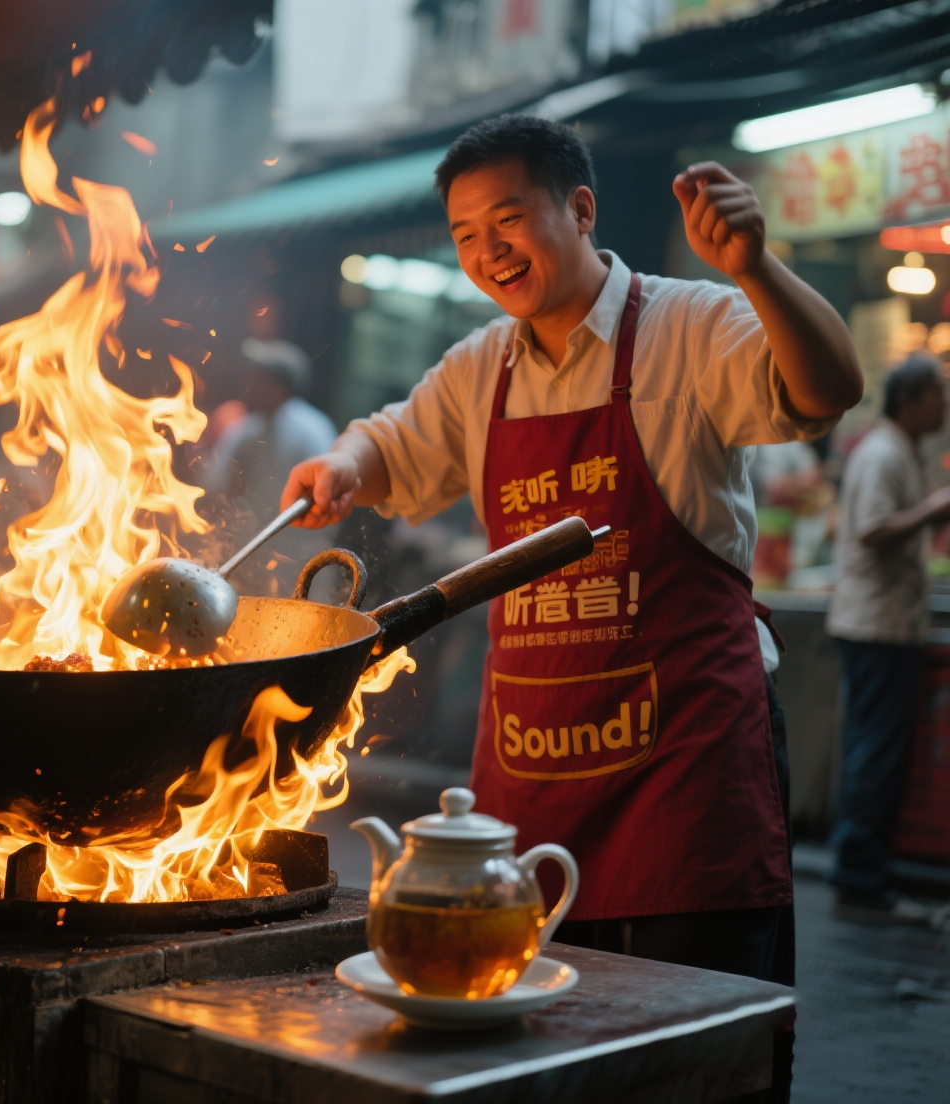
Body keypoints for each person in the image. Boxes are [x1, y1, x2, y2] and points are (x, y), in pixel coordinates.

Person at [281, 115, 863, 1001]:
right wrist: (343, 465)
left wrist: (754, 269)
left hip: (688, 763)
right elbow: (392, 443)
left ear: (582, 210)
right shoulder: (481, 367)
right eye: (465, 235)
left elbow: (826, 391)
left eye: (508, 220)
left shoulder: (691, 323)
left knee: (690, 1030)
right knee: (534, 1033)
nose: (488, 252)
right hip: (534, 764)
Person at [826, 355, 950, 923]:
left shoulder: (899, 450)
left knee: (877, 749)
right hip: (874, 626)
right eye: (937, 396)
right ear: (909, 400)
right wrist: (935, 507)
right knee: (874, 751)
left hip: (886, 624)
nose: (944, 406)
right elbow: (873, 529)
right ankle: (859, 874)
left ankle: (864, 868)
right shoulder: (882, 453)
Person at [204, 339, 336, 593]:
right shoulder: (245, 430)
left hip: (301, 564)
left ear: (278, 385)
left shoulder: (312, 431)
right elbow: (216, 487)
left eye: (257, 378)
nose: (249, 384)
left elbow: (328, 502)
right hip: (248, 560)